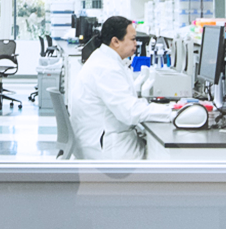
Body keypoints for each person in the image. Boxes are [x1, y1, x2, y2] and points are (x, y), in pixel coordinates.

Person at [69, 16, 172, 160]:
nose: (136, 44)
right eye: (133, 39)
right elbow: (130, 112)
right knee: (165, 158)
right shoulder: (106, 68)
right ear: (115, 41)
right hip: (107, 149)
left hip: (99, 140)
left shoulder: (104, 59)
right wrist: (173, 113)